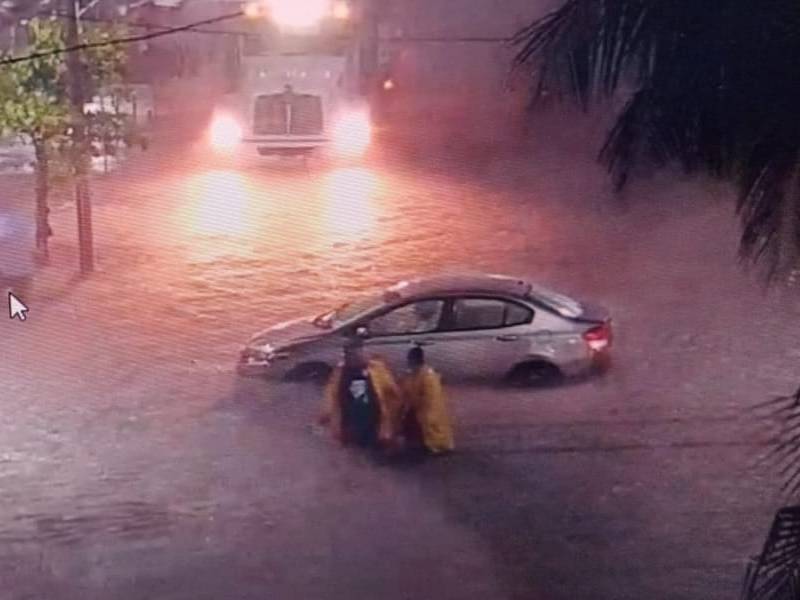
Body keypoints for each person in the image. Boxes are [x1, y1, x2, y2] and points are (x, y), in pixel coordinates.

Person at [319, 338, 403, 449]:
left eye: (357, 353)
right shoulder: (341, 373)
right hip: (350, 421)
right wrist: (324, 417)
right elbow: (331, 395)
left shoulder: (376, 369)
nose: (354, 357)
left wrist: (396, 419)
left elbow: (393, 392)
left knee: (373, 448)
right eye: (350, 354)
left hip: (372, 420)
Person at [399, 347, 455, 455]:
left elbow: (431, 400)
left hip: (428, 412)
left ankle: (430, 444)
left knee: (420, 422)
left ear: (414, 360)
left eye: (409, 360)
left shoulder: (428, 376)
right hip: (421, 409)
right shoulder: (418, 373)